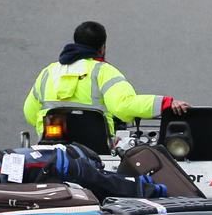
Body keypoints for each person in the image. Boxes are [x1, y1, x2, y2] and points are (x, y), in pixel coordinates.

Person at [23, 21, 189, 135]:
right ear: (102, 48)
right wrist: (165, 103)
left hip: (51, 149)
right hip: (95, 151)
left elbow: (30, 113)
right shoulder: (103, 72)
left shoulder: (48, 72)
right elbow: (123, 107)